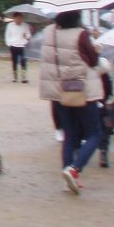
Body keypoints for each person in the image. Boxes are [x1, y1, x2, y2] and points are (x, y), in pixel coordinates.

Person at [37, 10, 102, 195]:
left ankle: (68, 175)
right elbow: (93, 60)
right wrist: (96, 47)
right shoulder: (80, 34)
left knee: (70, 134)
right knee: (94, 133)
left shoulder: (49, 31)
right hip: (81, 89)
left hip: (59, 90)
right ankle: (74, 169)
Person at [4, 12, 32, 83]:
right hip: (13, 45)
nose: (19, 20)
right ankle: (15, 77)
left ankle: (24, 77)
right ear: (14, 18)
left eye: (20, 18)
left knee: (23, 60)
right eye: (17, 18)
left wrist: (26, 36)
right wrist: (9, 44)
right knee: (14, 61)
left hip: (22, 45)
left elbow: (29, 36)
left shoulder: (25, 25)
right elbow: (7, 35)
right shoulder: (10, 25)